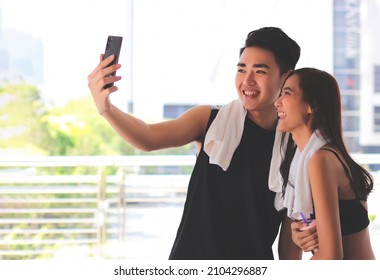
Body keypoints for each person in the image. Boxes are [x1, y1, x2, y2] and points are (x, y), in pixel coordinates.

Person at [88, 27, 304, 260]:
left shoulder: (296, 145)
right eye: (241, 69)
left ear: (286, 78)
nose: (247, 81)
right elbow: (148, 137)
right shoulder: (209, 120)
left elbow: (290, 245)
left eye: (260, 71)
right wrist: (106, 108)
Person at [272, 67, 376, 259]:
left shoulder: (321, 159)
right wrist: (298, 234)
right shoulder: (304, 159)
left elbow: (331, 257)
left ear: (311, 106)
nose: (277, 102)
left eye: (286, 93)